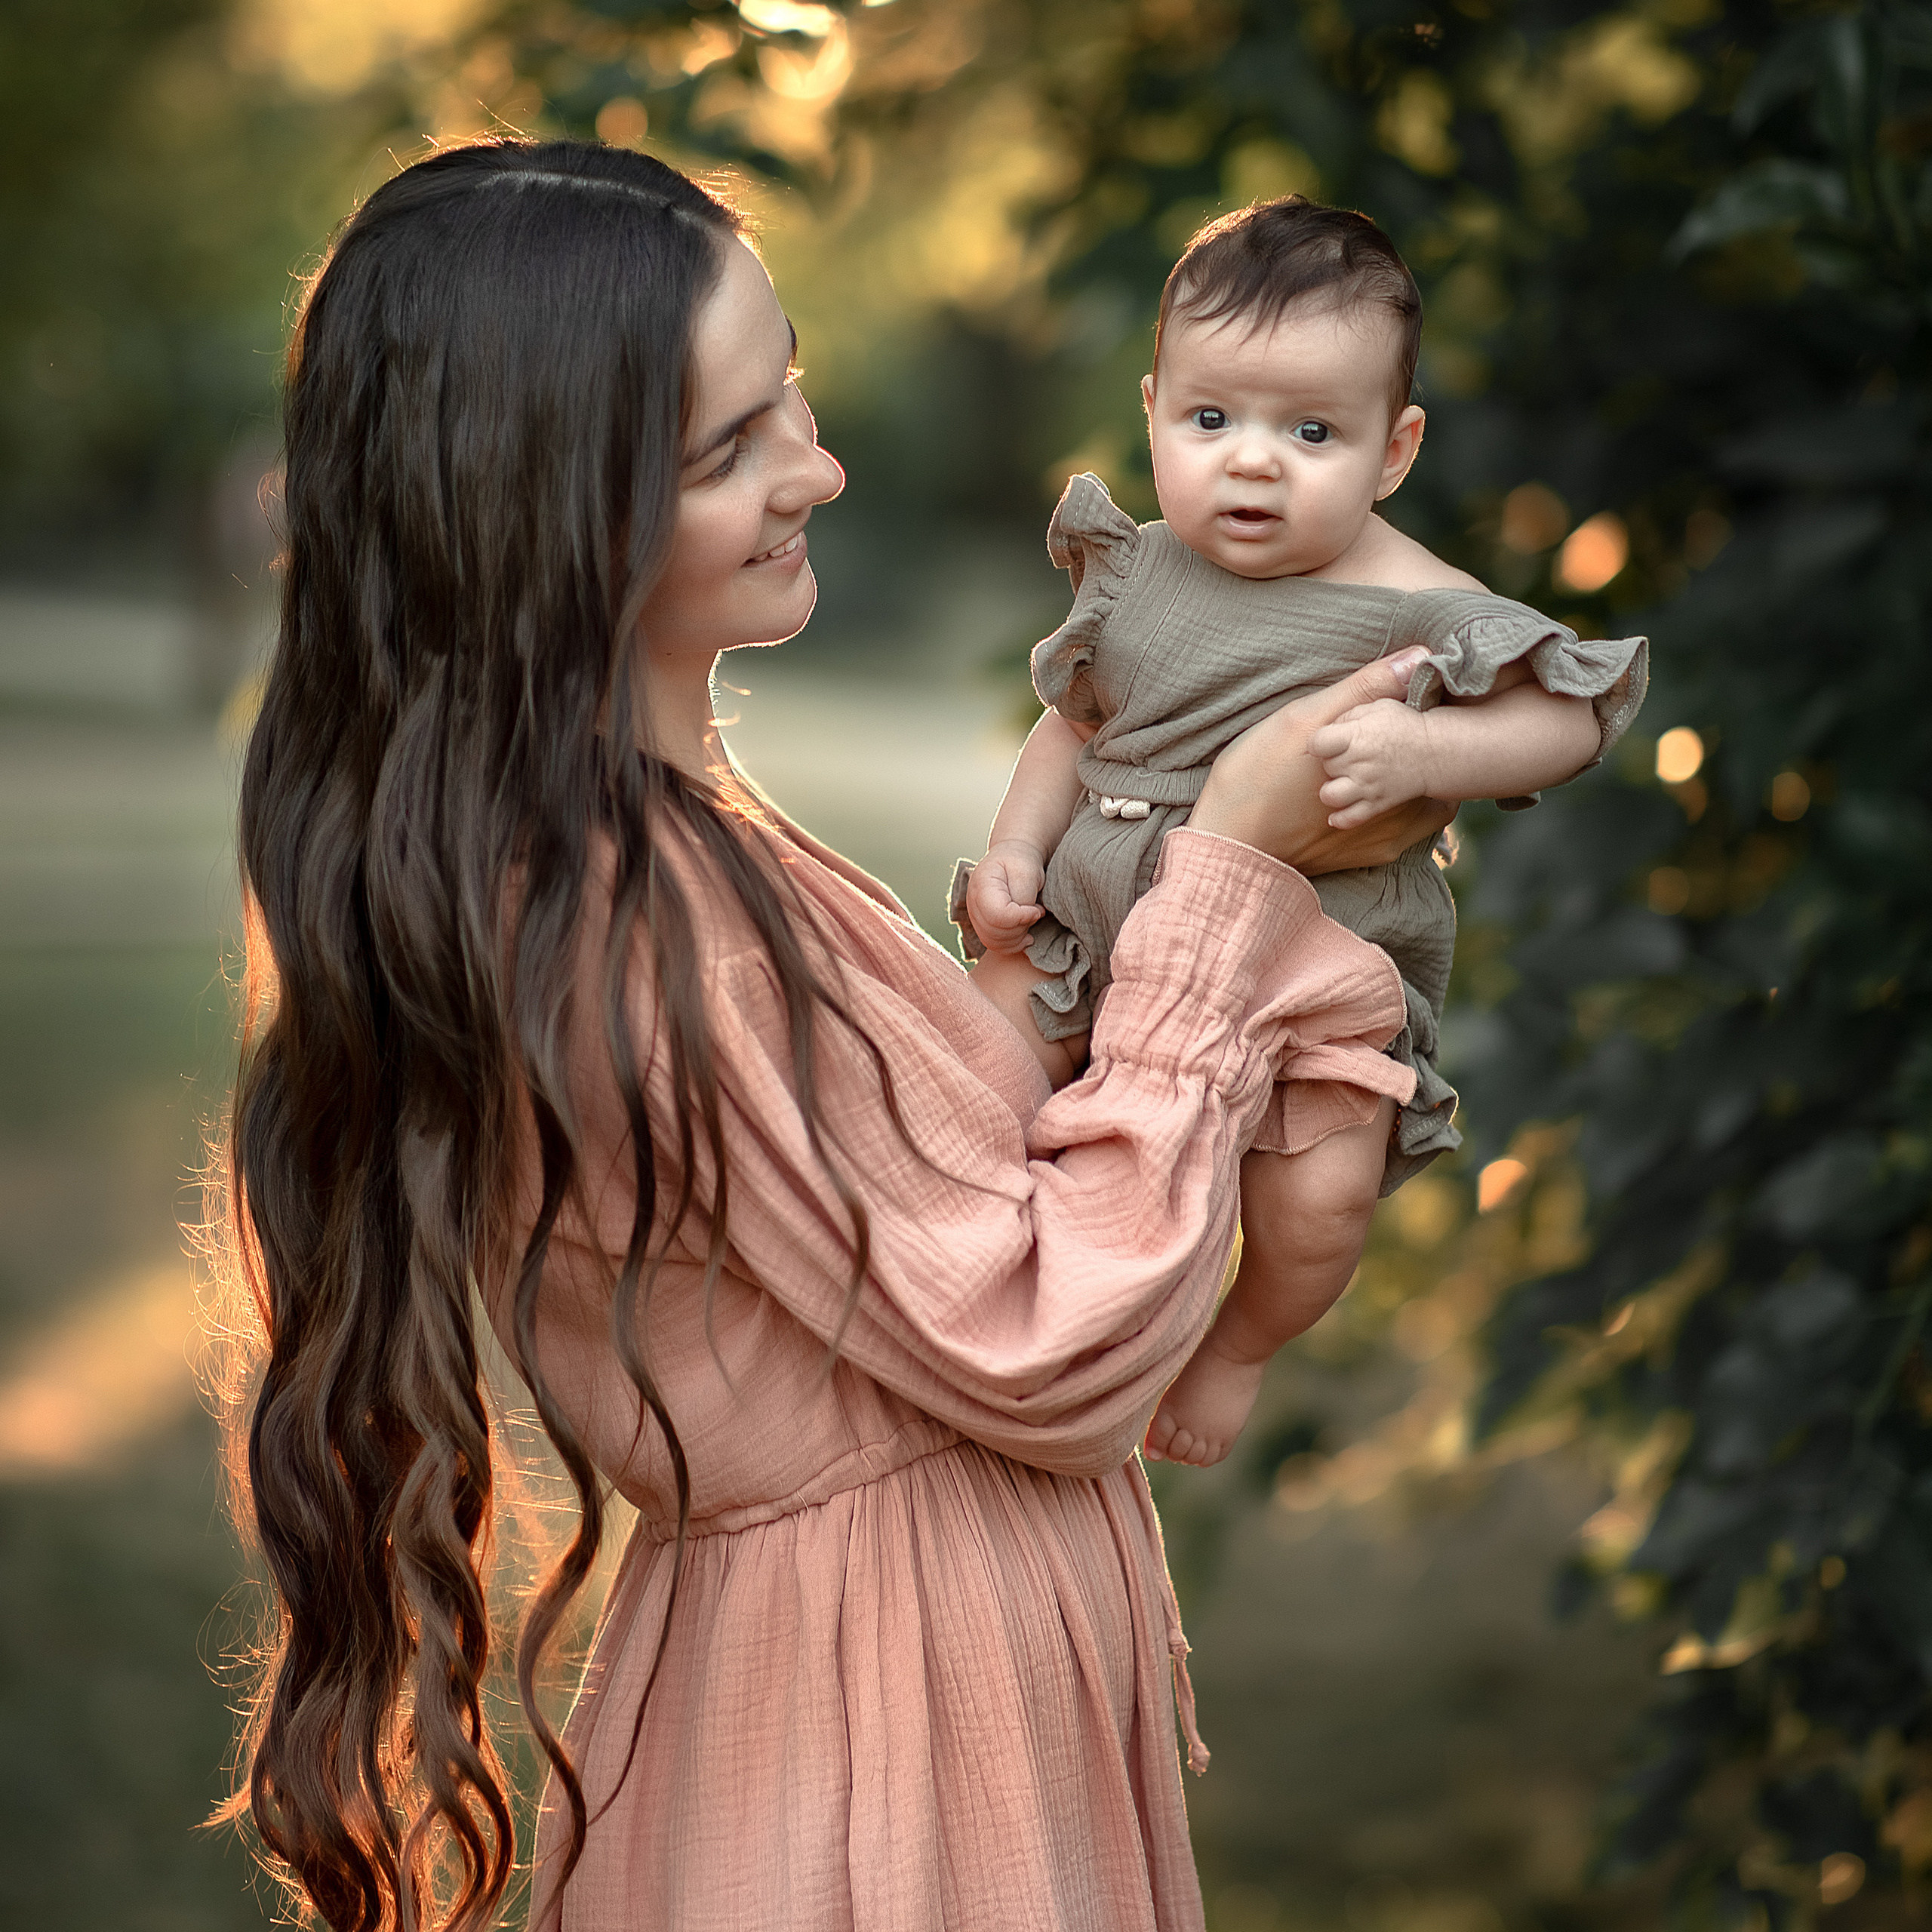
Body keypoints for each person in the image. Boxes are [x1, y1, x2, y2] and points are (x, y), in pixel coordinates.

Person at [211, 140, 1457, 1932]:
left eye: (787, 388)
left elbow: (910, 1207)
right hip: (875, 1741)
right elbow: (1050, 1342)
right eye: (731, 447)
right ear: (544, 509)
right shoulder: (625, 917)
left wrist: (1037, 970)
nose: (820, 463)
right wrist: (1225, 876)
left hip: (900, 1676)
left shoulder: (670, 836)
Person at [955, 198, 1647, 1469]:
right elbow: (1070, 727)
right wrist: (1013, 848)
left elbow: (1573, 715)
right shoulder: (1139, 571)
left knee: (1322, 1200)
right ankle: (1009, 1284)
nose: (1255, 461)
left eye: (1312, 430)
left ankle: (1241, 1342)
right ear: (1157, 405)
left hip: (1312, 961)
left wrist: (1432, 748)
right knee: (983, 1084)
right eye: (1211, 420)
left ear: (1394, 451)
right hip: (1096, 908)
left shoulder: (1414, 600)